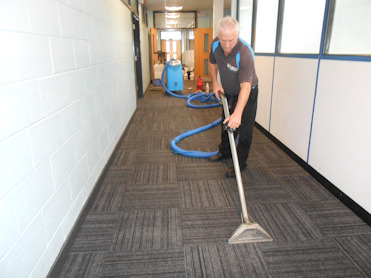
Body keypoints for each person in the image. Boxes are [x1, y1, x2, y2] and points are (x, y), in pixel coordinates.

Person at [208, 16, 259, 178]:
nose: (227, 45)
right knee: (226, 123)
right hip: (229, 92)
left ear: (237, 35)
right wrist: (215, 82)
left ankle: (240, 163)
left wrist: (237, 113)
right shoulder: (215, 44)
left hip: (247, 92)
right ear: (219, 36)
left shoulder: (245, 52)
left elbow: (246, 85)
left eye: (231, 40)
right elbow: (212, 62)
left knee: (244, 130)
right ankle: (225, 153)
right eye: (224, 40)